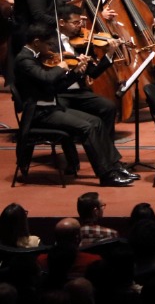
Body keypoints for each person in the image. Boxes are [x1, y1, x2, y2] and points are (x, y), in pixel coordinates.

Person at [13, 22, 132, 186]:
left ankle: (114, 166)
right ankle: (106, 175)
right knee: (87, 127)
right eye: (47, 44)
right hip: (39, 114)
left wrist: (75, 73)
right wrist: (62, 67)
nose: (50, 48)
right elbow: (46, 78)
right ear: (36, 42)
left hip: (51, 108)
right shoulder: (24, 60)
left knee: (96, 121)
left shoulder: (37, 57)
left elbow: (56, 86)